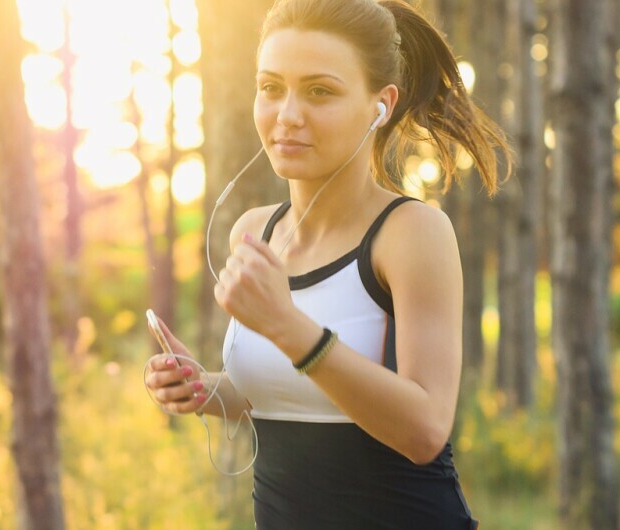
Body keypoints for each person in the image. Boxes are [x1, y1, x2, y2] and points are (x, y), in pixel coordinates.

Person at [144, 0, 510, 528]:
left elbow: (425, 431)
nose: (287, 115)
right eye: (271, 87)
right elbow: (285, 398)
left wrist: (288, 327)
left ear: (380, 105)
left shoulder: (411, 233)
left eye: (320, 91)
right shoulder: (253, 230)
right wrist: (203, 388)